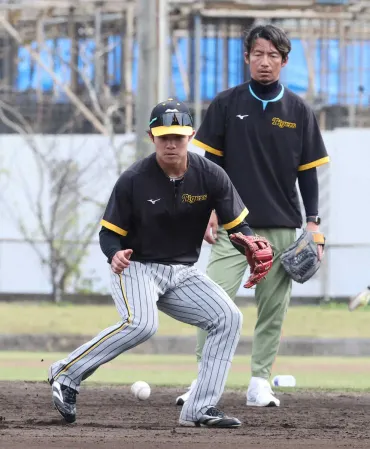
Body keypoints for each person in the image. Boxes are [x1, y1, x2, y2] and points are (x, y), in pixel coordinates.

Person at [47, 98, 273, 428]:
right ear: (151, 136)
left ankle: (200, 408)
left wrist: (251, 245)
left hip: (181, 273)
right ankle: (66, 374)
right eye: (164, 136)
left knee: (228, 318)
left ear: (191, 136)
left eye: (178, 136)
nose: (171, 143)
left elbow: (239, 227)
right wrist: (114, 253)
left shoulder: (211, 176)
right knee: (142, 323)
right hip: (136, 267)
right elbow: (108, 235)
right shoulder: (134, 179)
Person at [176, 24, 329, 408]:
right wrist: (208, 209)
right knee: (211, 300)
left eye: (273, 56)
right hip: (232, 225)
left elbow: (308, 172)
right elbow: (210, 164)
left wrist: (313, 224)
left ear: (284, 61)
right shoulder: (226, 104)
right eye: (258, 54)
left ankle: (260, 381)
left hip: (280, 224)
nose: (265, 62)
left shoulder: (299, 111)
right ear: (246, 58)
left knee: (272, 309)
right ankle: (203, 380)